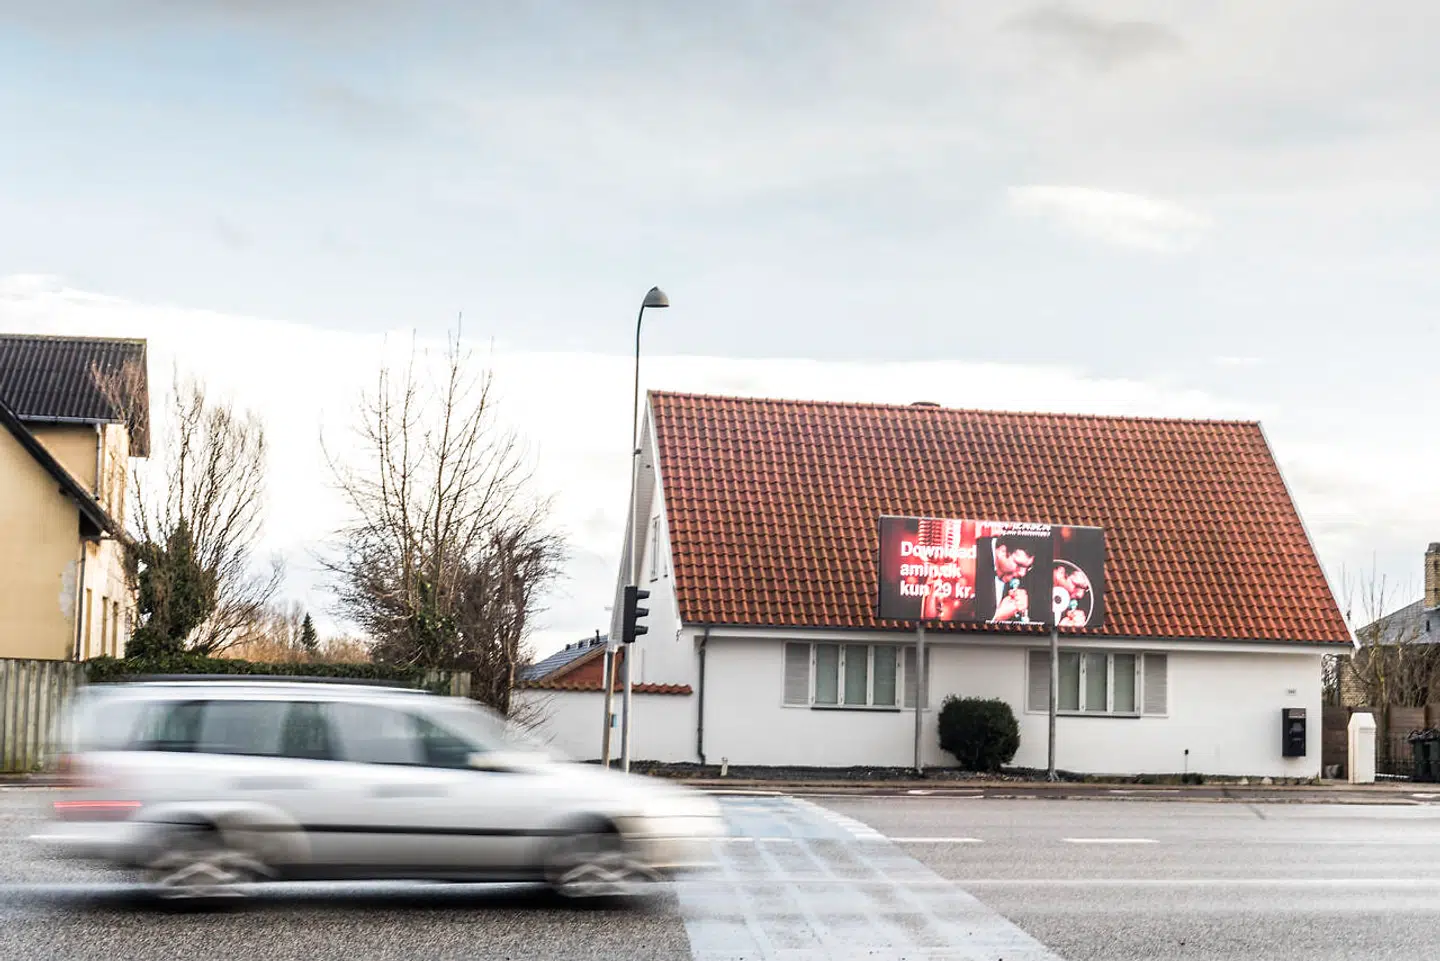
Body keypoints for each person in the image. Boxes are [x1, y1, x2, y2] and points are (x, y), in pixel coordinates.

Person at [973, 533, 1048, 623]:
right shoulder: (973, 555)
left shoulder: (1018, 576)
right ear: (1002, 552)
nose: (1023, 573)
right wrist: (997, 618)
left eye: (1028, 567)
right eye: (1019, 565)